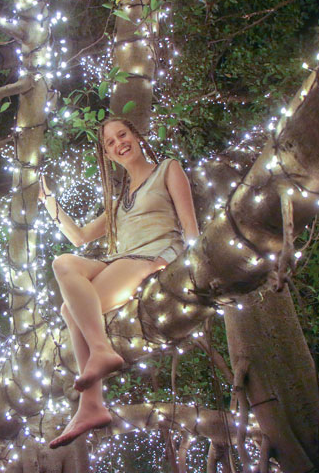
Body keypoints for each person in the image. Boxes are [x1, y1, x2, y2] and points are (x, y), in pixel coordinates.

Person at [39, 117, 199, 449]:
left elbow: (190, 228)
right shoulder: (119, 201)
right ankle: (94, 398)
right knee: (64, 265)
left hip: (153, 256)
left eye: (122, 135)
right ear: (108, 156)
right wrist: (49, 203)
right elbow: (80, 237)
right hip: (122, 260)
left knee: (71, 310)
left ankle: (94, 389)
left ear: (137, 136)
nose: (118, 143)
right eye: (110, 143)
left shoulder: (167, 169)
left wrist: (181, 266)